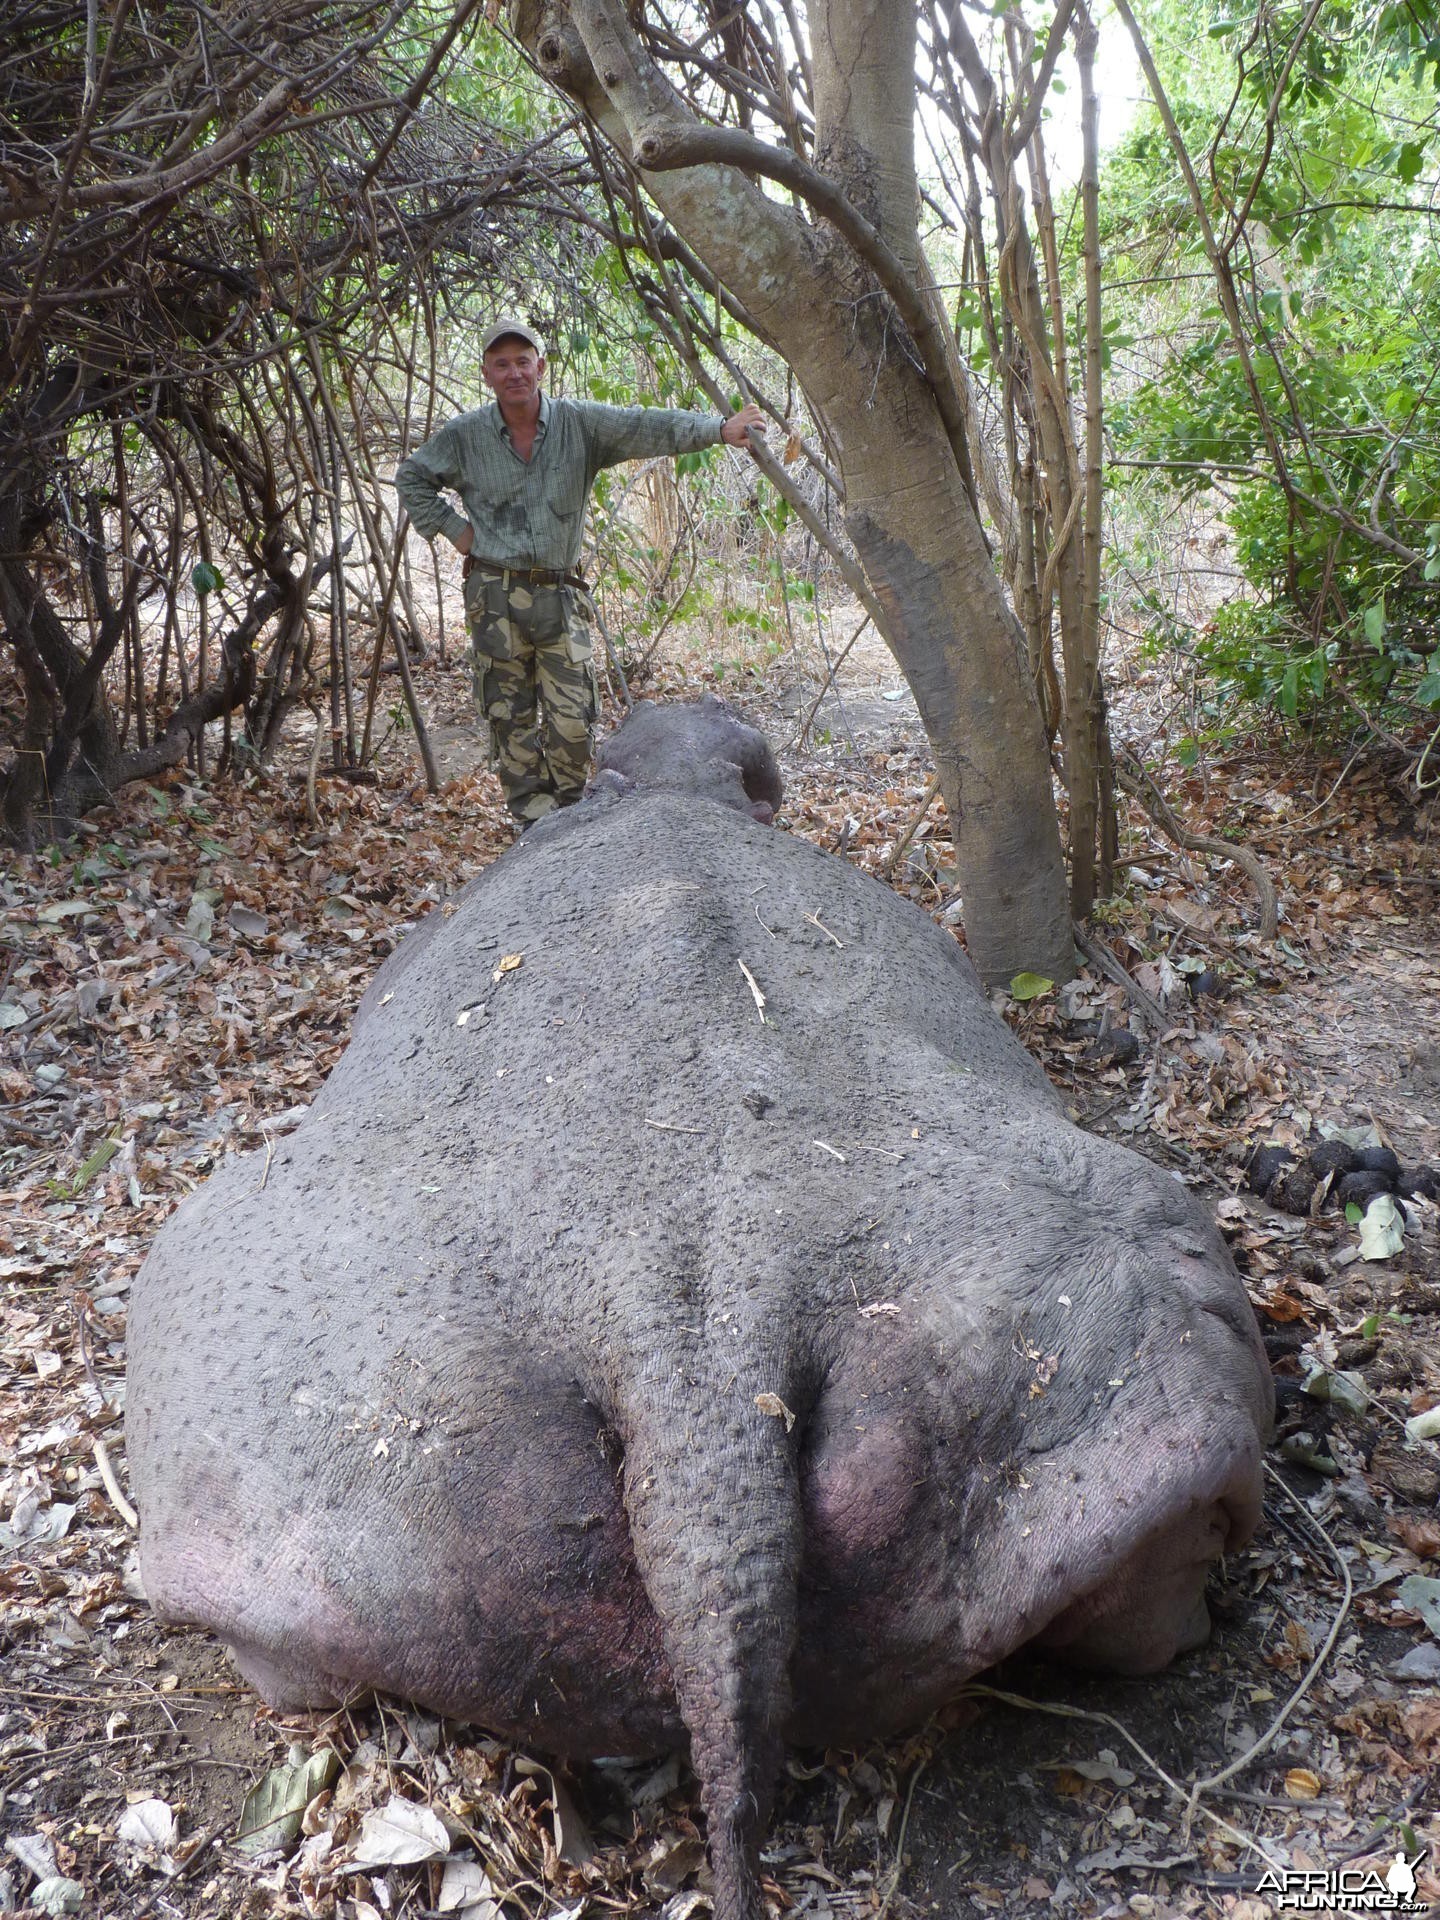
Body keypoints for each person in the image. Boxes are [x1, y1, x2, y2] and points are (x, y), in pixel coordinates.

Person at [394, 317, 766, 828]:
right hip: (493, 597)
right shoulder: (464, 437)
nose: (514, 374)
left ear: (540, 367)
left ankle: (568, 826)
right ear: (486, 374)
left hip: (560, 596)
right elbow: (411, 478)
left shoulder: (579, 424)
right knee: (510, 718)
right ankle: (531, 827)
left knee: (573, 721)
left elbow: (645, 426)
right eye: (501, 365)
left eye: (523, 362)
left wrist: (718, 431)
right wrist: (454, 530)